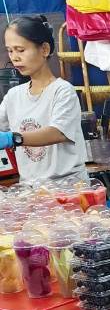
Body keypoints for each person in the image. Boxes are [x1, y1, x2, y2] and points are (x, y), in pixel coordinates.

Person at [0, 16, 88, 186]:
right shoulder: (13, 96)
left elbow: (57, 132)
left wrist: (13, 138)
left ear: (44, 49)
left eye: (20, 49)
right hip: (32, 190)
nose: (14, 58)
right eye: (10, 51)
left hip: (68, 187)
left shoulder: (63, 91)